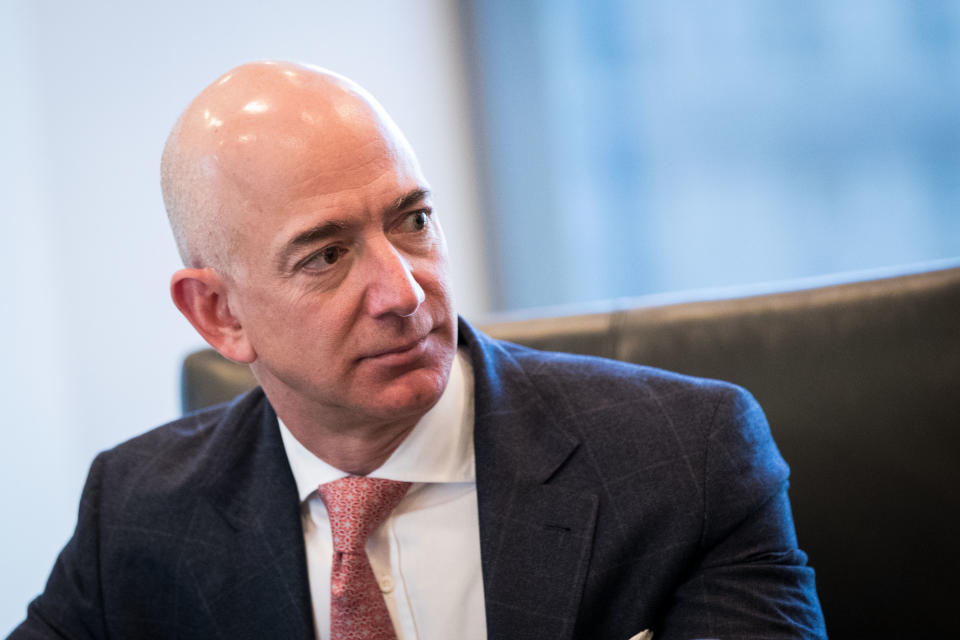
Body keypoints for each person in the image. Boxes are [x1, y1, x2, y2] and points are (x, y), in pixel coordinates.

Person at [10, 61, 826, 640]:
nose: (403, 292)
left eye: (412, 220)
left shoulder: (686, 457)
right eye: (325, 255)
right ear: (220, 315)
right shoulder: (137, 512)